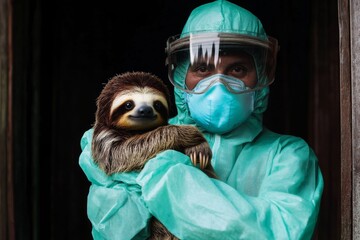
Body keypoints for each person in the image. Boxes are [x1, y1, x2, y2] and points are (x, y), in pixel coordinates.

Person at [79, 0, 324, 239]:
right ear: (182, 75)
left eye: (237, 69)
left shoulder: (289, 156)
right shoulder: (135, 135)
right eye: (203, 69)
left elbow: (277, 232)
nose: (219, 84)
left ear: (260, 76)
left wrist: (164, 174)